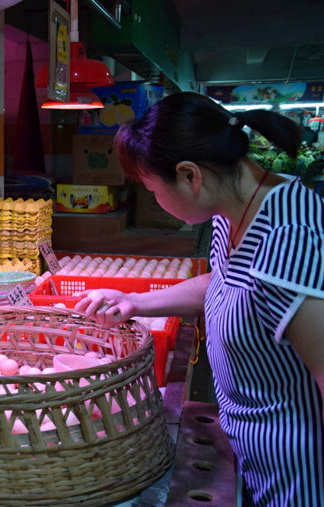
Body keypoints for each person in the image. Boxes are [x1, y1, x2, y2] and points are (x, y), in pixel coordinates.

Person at [74, 92, 323, 505]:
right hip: (253, 456)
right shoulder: (233, 214)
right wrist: (136, 303)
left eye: (153, 189)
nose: (156, 201)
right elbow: (224, 284)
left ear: (190, 175)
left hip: (301, 475)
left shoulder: (292, 240)